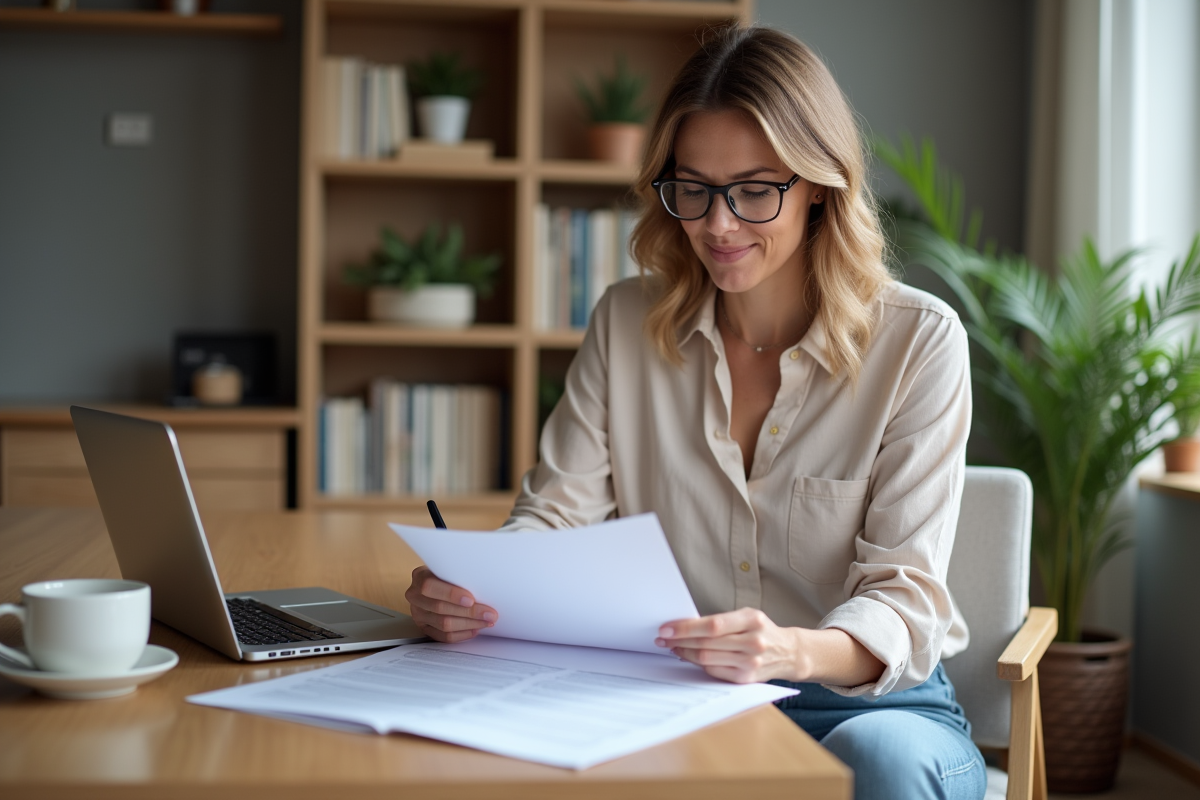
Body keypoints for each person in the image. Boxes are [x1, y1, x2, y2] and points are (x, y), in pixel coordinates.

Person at [405, 24, 984, 800]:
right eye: (694, 188)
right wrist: (478, 593)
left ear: (818, 185)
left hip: (870, 705)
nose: (717, 224)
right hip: (683, 699)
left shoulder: (919, 342)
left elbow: (903, 598)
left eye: (754, 190)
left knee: (876, 761)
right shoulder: (626, 324)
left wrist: (789, 651)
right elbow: (555, 516)